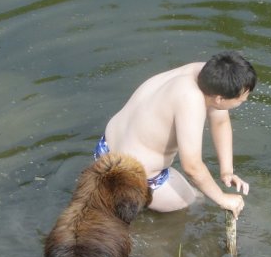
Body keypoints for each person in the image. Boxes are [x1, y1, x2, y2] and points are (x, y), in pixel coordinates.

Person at [95, 51, 256, 220]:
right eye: (241, 100)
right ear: (219, 98)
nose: (243, 102)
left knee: (201, 189)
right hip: (133, 179)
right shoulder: (191, 100)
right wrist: (223, 198)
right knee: (197, 201)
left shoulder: (203, 73)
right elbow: (192, 167)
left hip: (104, 153)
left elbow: (220, 121)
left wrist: (227, 171)